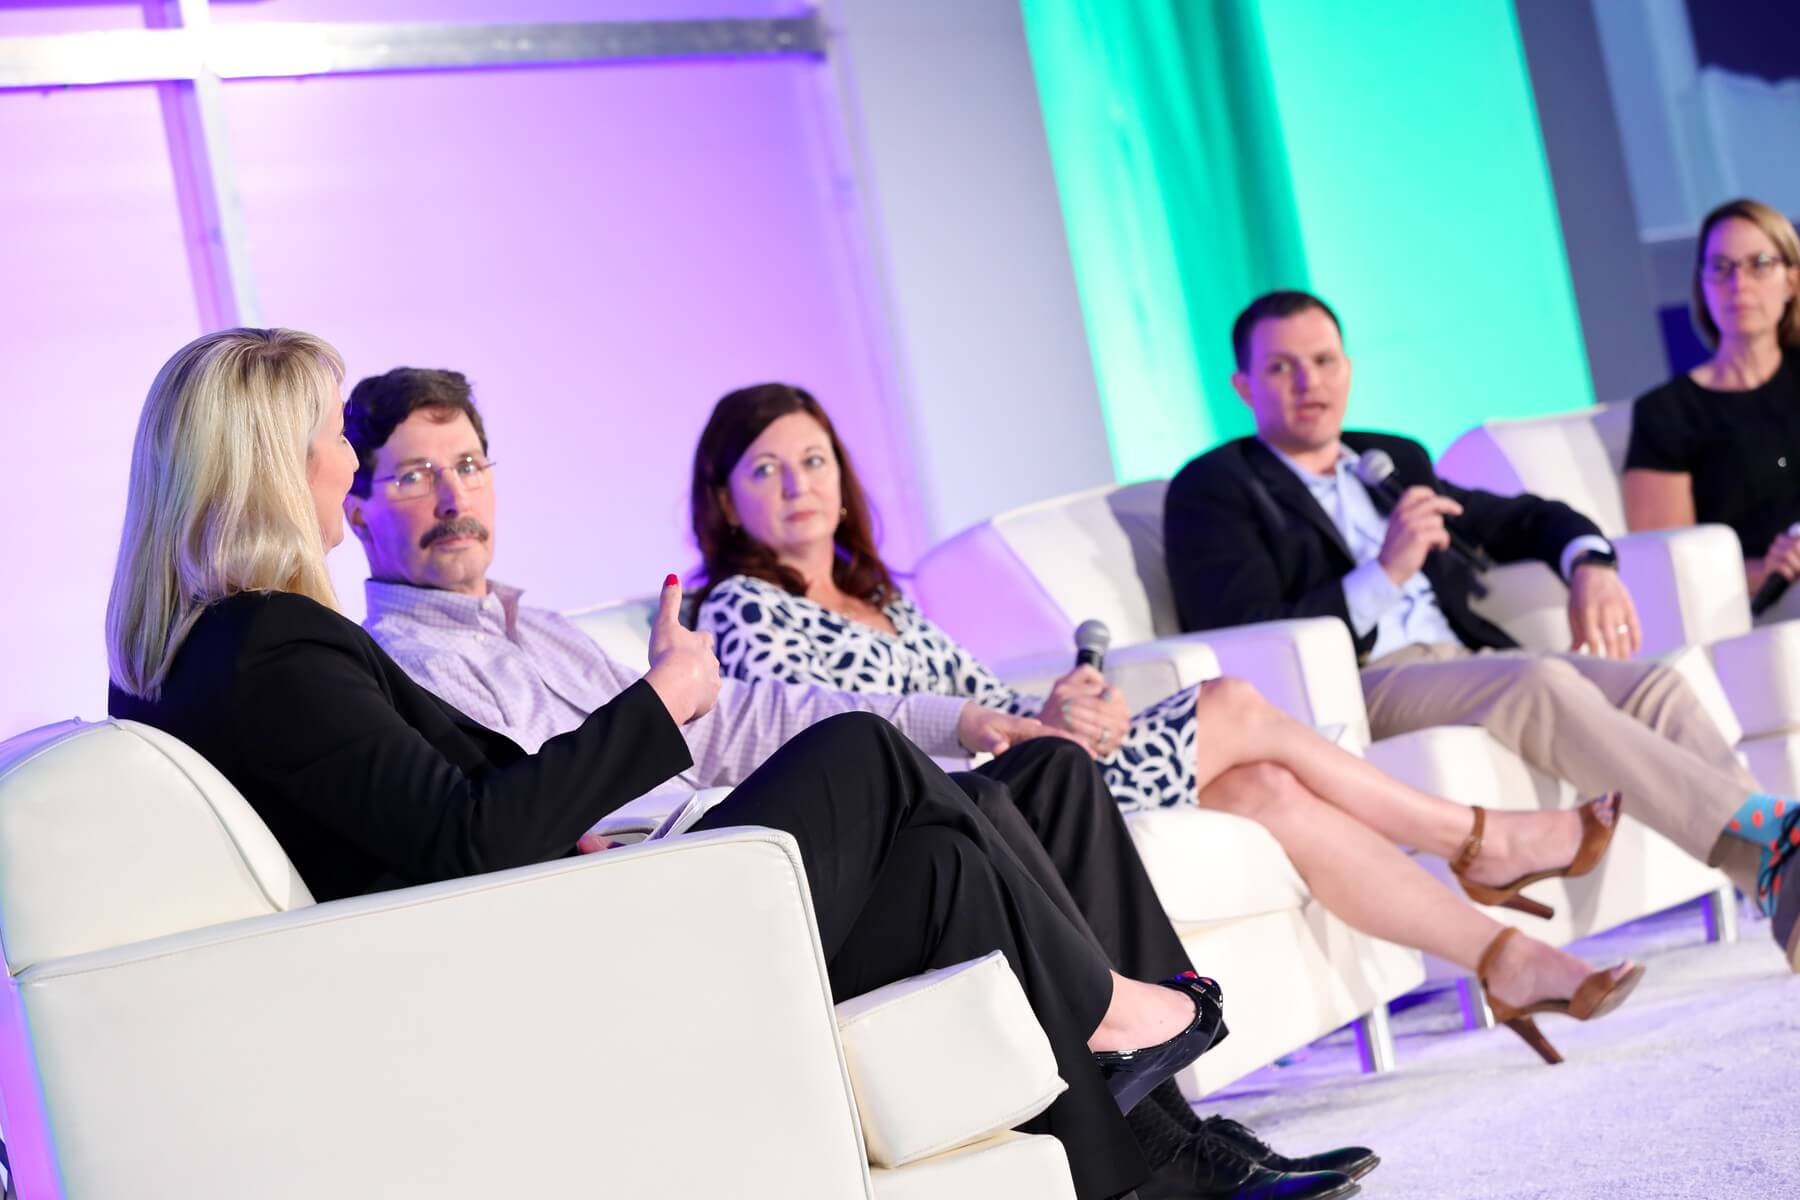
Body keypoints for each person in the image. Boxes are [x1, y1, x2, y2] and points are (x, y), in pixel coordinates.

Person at [104, 329, 1232, 1200]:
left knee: (945, 854)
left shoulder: (225, 652)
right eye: (345, 445)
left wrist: (589, 795)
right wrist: (655, 706)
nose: (350, 458)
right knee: (864, 757)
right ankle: (1109, 1005)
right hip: (576, 960)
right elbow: (462, 840)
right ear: (284, 461)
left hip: (582, 907)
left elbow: (438, 827)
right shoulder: (278, 648)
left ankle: (1138, 1168)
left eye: (468, 467)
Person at [339, 366, 1372, 1200]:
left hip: (758, 839)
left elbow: (745, 716)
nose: (451, 498)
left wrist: (962, 721)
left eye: (468, 465)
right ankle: (1114, 1032)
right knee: (895, 775)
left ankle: (1177, 1148)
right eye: (411, 477)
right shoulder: (408, 665)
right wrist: (659, 701)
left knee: (1038, 772)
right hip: (689, 883)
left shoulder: (545, 628)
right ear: (354, 503)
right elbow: (542, 809)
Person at [687, 382, 1644, 1069]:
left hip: (1031, 764)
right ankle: (1477, 838)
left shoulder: (884, 601)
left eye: (814, 461)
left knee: (1265, 788)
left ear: (844, 481)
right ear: (726, 499)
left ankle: (1503, 959)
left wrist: (1061, 710)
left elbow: (988, 699)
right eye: (765, 470)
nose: (797, 483)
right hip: (969, 807)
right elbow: (827, 740)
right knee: (1229, 702)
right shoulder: (738, 605)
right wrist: (1007, 730)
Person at [1163, 288, 1800, 966]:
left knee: (1654, 686)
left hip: (1465, 660)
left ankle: (1776, 878)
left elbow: (1522, 517)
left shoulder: (1389, 459)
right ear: (1242, 386)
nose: (1309, 383)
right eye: (1281, 368)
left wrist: (1589, 563)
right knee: (1537, 680)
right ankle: (1774, 824)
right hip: (1363, 682)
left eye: (1323, 361)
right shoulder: (1214, 489)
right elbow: (1243, 632)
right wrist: (1383, 573)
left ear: (1348, 367)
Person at [1623, 197, 1800, 619]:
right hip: (1759, 605)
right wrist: (1764, 570)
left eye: (1759, 263)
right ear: (1700, 284)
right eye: (1721, 268)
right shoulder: (1666, 413)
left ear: (1791, 280)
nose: (1739, 285)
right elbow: (1666, 570)